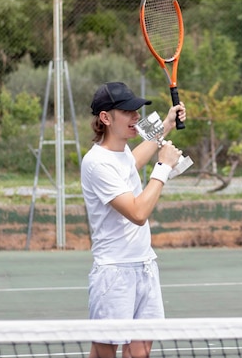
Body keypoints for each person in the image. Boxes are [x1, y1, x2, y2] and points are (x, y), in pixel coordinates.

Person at [80, 81, 186, 358]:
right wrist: (163, 167)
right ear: (106, 118)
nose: (136, 117)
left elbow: (132, 162)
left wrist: (167, 123)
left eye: (137, 111)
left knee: (140, 351)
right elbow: (138, 213)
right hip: (115, 273)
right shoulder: (96, 163)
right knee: (104, 352)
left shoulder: (121, 153)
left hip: (145, 267)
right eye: (128, 112)